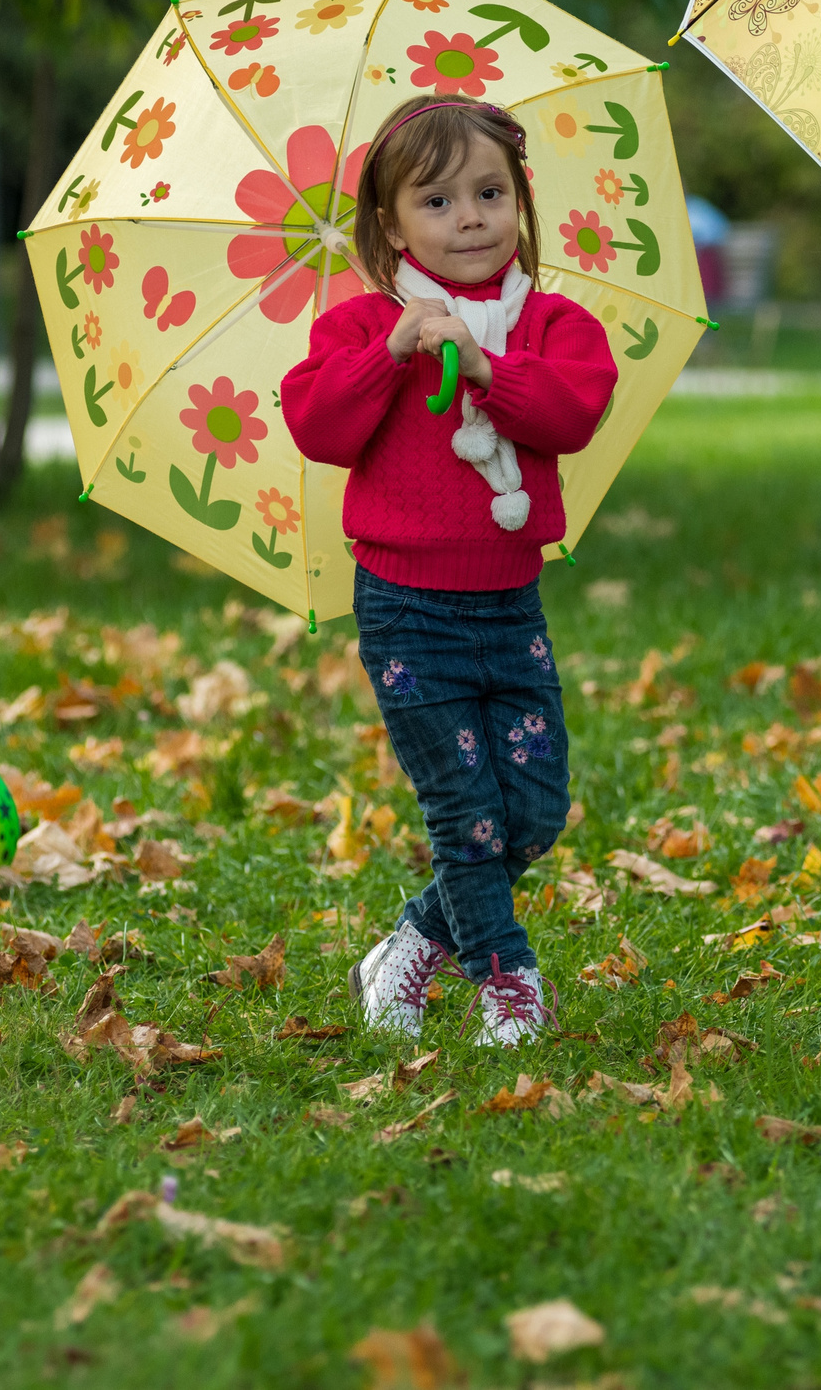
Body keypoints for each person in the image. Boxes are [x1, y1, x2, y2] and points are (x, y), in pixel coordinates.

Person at [281, 96, 617, 1046]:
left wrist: (482, 365)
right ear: (391, 227)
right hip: (406, 608)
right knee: (466, 812)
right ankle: (506, 979)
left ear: (520, 201)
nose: (468, 216)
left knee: (535, 804)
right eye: (436, 201)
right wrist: (392, 353)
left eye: (488, 192)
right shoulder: (361, 329)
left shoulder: (551, 324)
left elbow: (569, 414)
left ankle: (409, 944)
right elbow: (319, 427)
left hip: (509, 603)